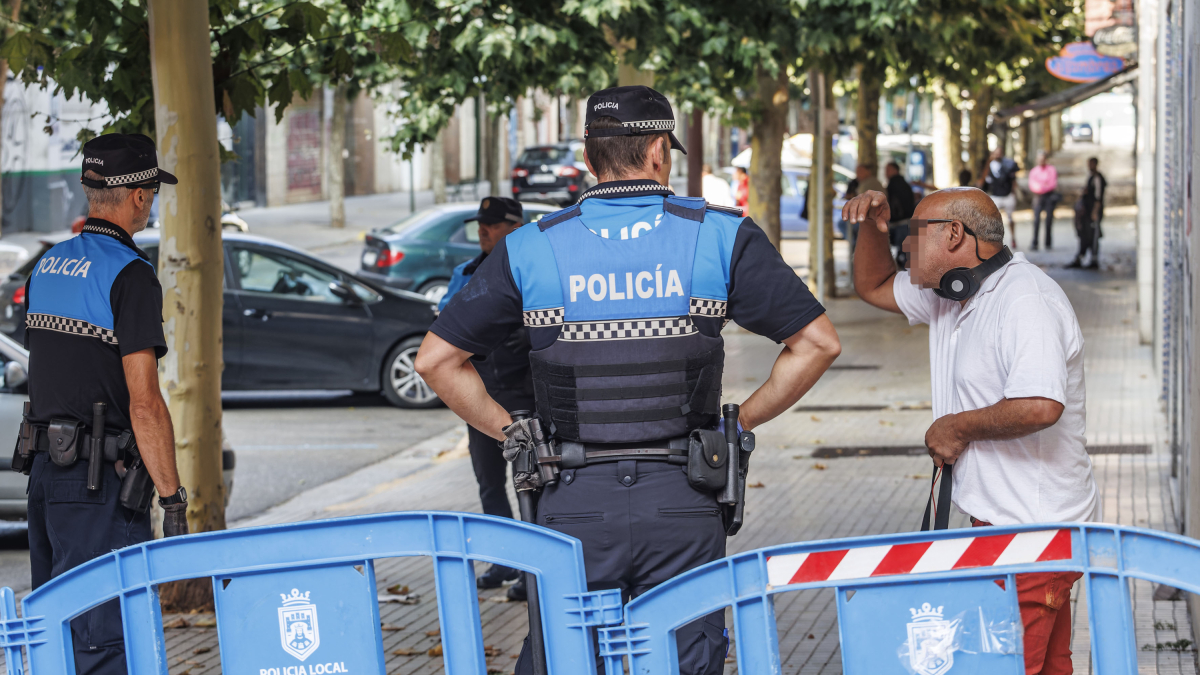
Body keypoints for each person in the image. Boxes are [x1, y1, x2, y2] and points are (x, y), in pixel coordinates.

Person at [416, 85, 841, 674]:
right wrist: (741, 420)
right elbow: (818, 343)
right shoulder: (720, 235)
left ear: (589, 159)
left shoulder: (532, 247)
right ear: (661, 152)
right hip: (685, 496)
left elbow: (435, 361)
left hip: (571, 499)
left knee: (565, 660)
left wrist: (513, 433)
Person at [845, 187, 1099, 675]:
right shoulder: (949, 296)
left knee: (999, 666)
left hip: (1035, 530)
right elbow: (873, 284)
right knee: (1048, 667)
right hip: (1005, 525)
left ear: (955, 234)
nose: (905, 248)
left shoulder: (1026, 299)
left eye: (913, 235)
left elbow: (1041, 405)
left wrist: (956, 427)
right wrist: (871, 228)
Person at [22, 133, 189, 675]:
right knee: (105, 645)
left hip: (45, 479)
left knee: (57, 640)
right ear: (138, 196)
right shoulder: (130, 275)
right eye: (151, 192)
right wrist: (173, 499)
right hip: (98, 489)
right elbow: (144, 403)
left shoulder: (47, 266)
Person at [437, 196, 534, 600]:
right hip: (481, 397)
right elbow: (444, 321)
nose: (483, 230)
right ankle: (505, 560)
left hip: (525, 397)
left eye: (492, 224)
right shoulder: (466, 272)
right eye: (481, 223)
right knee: (489, 484)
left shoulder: (533, 267)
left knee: (529, 482)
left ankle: (534, 572)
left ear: (515, 227)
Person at [1067, 157, 1106, 270]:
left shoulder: (1098, 178)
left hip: (1092, 212)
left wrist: (1095, 212)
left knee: (1092, 235)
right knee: (1085, 235)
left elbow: (1098, 197)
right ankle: (1081, 257)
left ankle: (1093, 259)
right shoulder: (1091, 177)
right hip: (1087, 212)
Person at [979, 147, 1020, 248]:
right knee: (992, 220)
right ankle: (994, 242)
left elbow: (1013, 180)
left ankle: (1013, 238)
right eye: (995, 153)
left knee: (1010, 218)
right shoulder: (989, 166)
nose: (997, 155)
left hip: (1007, 195)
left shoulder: (1008, 165)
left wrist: (1015, 193)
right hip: (995, 196)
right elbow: (982, 180)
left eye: (999, 153)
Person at [886, 161, 916, 267]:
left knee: (905, 256)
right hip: (907, 221)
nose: (886, 173)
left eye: (888, 170)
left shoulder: (894, 184)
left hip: (901, 223)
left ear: (895, 170)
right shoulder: (904, 183)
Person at [1028, 151, 1059, 251]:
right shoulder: (1034, 171)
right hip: (1038, 197)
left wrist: (1041, 187)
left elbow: (1052, 184)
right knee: (1036, 220)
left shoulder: (1051, 170)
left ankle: (1048, 243)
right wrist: (1043, 186)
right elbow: (1032, 185)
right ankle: (1035, 242)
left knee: (1049, 220)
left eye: (1043, 159)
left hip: (1049, 197)